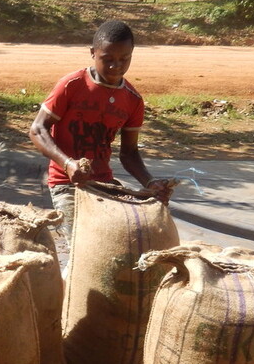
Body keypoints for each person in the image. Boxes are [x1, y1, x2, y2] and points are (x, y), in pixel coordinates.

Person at [28, 19, 172, 238]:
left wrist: (150, 183)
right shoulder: (72, 85)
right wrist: (68, 165)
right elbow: (38, 129)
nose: (117, 66)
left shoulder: (133, 100)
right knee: (82, 242)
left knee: (125, 238)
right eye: (108, 59)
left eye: (124, 59)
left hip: (104, 183)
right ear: (93, 53)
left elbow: (129, 153)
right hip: (66, 183)